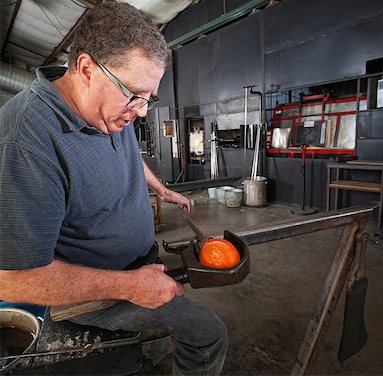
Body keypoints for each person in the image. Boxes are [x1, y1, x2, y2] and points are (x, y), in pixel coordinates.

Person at [0, 1, 228, 374]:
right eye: (134, 95)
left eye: (149, 99)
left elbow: (124, 156)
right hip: (101, 295)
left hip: (141, 266)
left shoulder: (107, 113)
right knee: (209, 334)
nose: (141, 111)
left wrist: (160, 188)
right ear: (87, 68)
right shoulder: (28, 140)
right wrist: (128, 287)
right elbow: (10, 278)